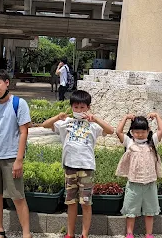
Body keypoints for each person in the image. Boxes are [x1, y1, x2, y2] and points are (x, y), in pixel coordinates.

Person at [41, 90, 114, 238]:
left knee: (86, 202)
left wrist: (96, 119)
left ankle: (84, 235)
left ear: (88, 107)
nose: (79, 111)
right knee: (71, 202)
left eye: (82, 107)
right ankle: (70, 233)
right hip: (69, 166)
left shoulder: (93, 125)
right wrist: (58, 116)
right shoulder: (66, 122)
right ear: (71, 107)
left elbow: (111, 130)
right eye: (76, 107)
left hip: (87, 167)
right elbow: (45, 125)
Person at [0, 70, 32, 238]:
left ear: (6, 83)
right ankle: (0, 230)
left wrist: (19, 160)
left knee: (17, 196)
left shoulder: (19, 103)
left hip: (10, 158)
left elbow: (24, 132)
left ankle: (26, 233)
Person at [116, 113, 162, 238]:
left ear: (148, 131)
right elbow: (118, 131)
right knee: (131, 211)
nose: (139, 134)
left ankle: (149, 234)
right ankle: (129, 233)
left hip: (150, 183)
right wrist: (126, 117)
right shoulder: (129, 142)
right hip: (133, 184)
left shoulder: (152, 142)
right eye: (136, 131)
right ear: (132, 132)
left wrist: (156, 116)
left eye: (143, 131)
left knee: (150, 212)